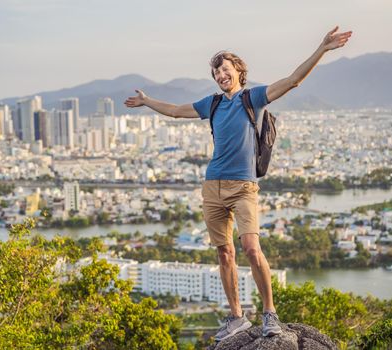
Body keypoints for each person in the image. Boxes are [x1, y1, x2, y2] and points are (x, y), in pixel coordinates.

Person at [124, 26, 352, 340]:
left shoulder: (253, 97)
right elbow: (176, 111)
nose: (220, 75)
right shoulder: (212, 104)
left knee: (251, 248)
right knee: (224, 253)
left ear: (238, 71)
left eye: (225, 69)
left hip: (244, 187)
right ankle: (236, 316)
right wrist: (148, 100)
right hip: (212, 186)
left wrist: (322, 49)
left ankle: (269, 312)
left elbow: (292, 81)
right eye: (216, 72)